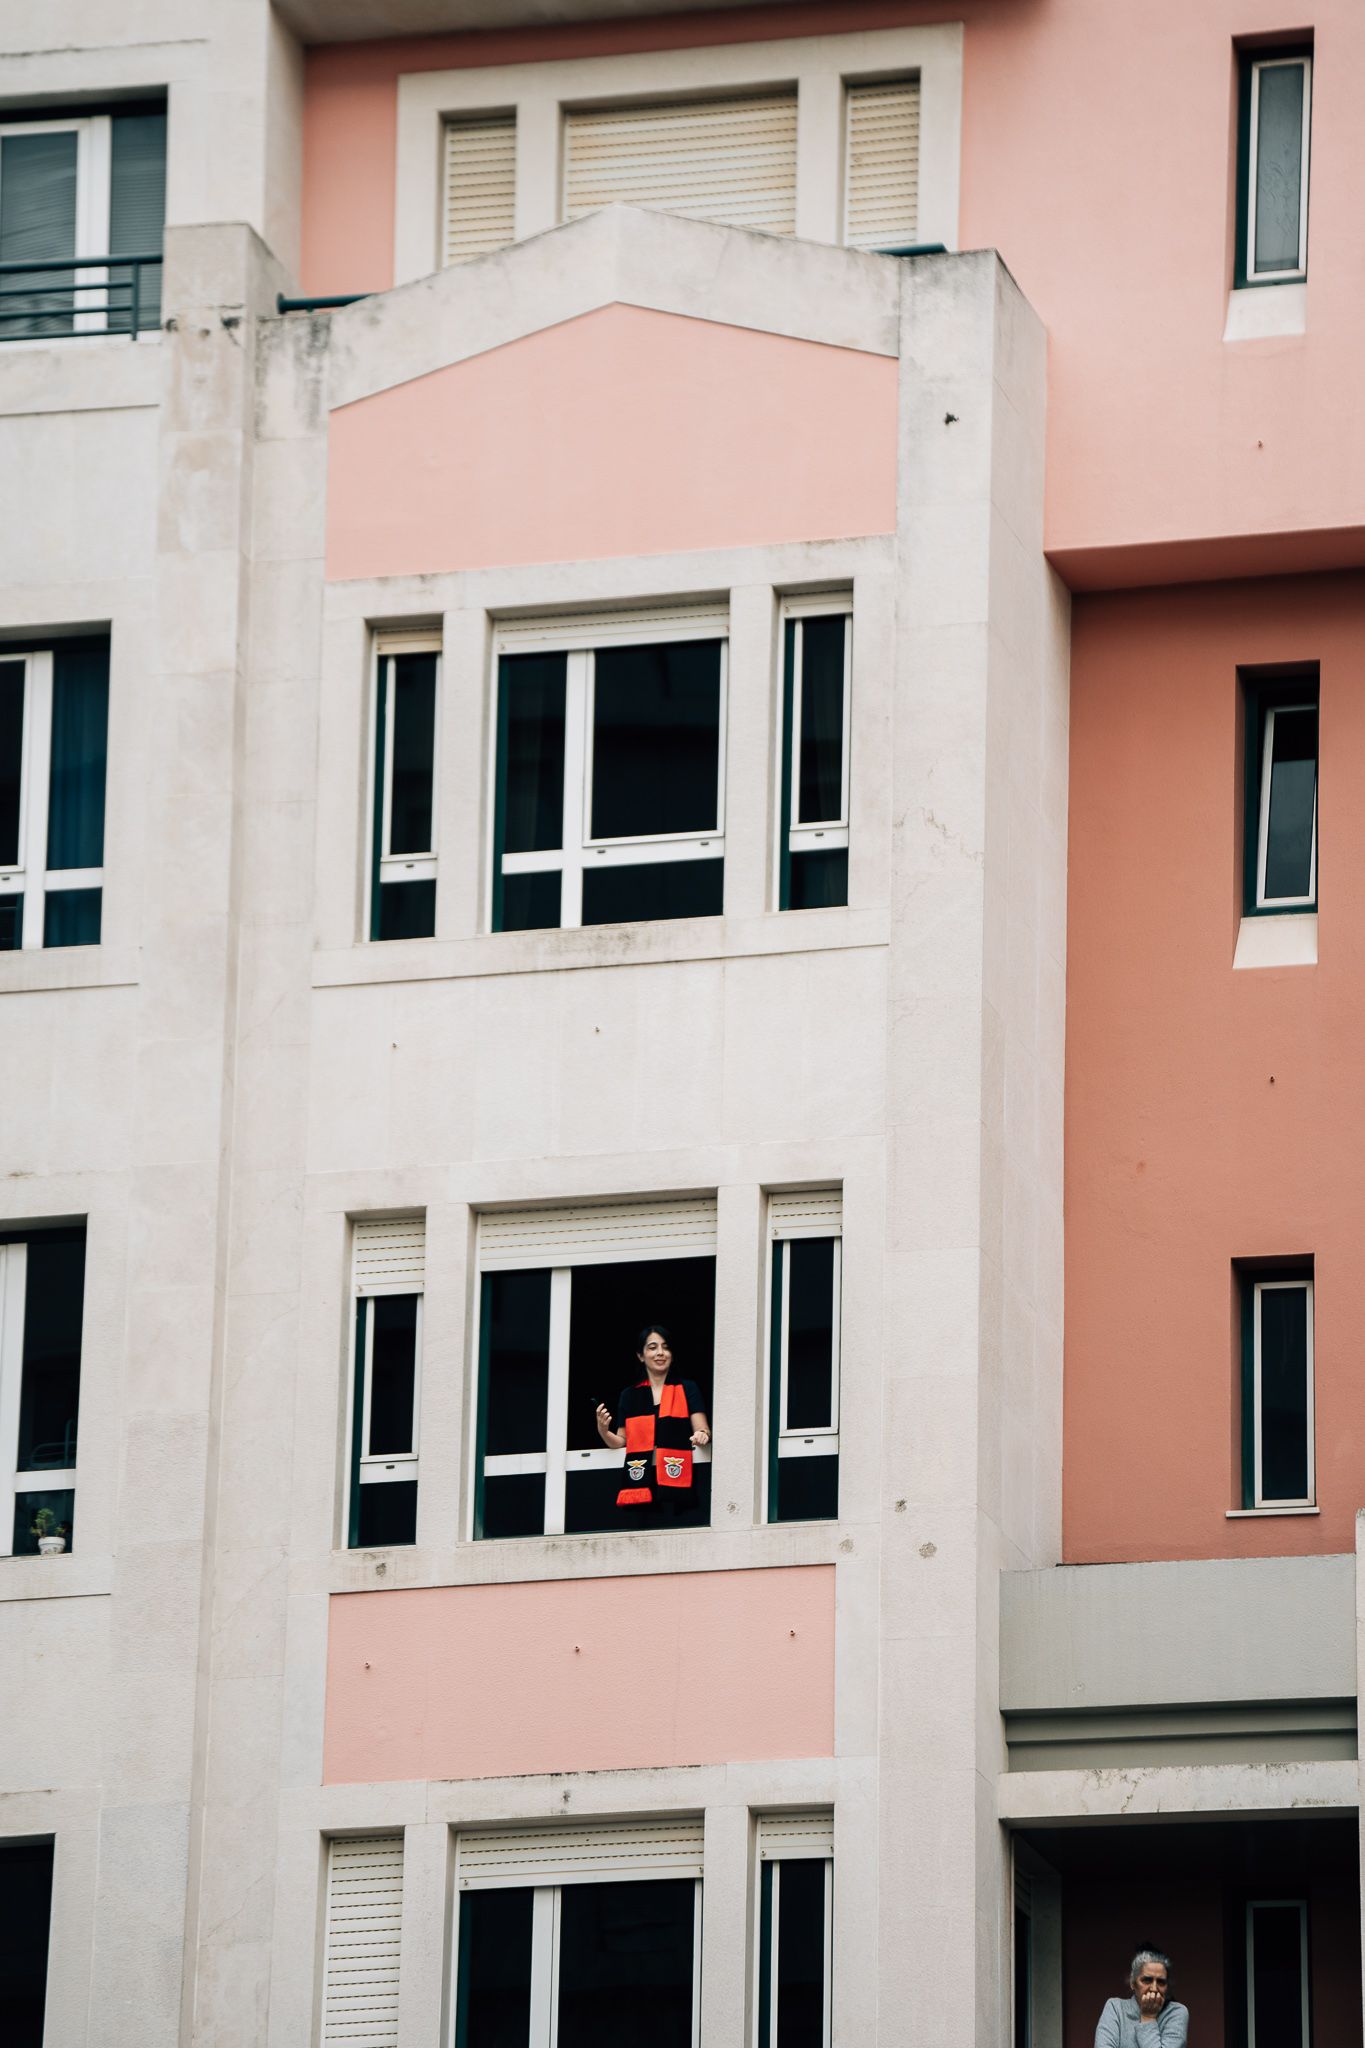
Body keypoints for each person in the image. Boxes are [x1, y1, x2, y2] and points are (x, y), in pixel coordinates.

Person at [595, 1324, 711, 1525]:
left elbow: (703, 1429)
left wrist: (702, 1435)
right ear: (641, 1356)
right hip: (644, 1485)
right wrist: (603, 1430)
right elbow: (621, 1441)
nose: (660, 1353)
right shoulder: (629, 1395)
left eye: (665, 1347)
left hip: (681, 1485)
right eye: (653, 1347)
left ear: (672, 1354)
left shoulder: (687, 1388)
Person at [1094, 1948, 1188, 2047]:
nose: (1154, 1988)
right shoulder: (1115, 2008)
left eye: (1161, 1982)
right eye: (1147, 1980)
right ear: (1132, 1983)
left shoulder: (1176, 2012)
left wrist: (1148, 2018)